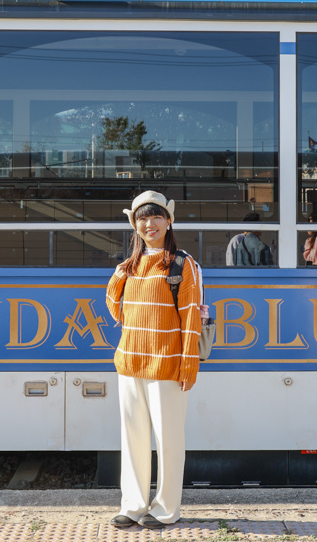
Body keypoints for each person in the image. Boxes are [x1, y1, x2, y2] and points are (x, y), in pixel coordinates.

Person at [106, 190, 203, 530]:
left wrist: (188, 363)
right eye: (141, 218)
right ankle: (132, 505)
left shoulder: (182, 264)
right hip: (130, 363)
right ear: (134, 225)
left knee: (169, 439)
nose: (149, 223)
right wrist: (121, 272)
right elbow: (115, 306)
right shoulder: (129, 266)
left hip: (167, 365)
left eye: (155, 216)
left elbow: (191, 316)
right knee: (132, 437)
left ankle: (165, 509)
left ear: (169, 221)